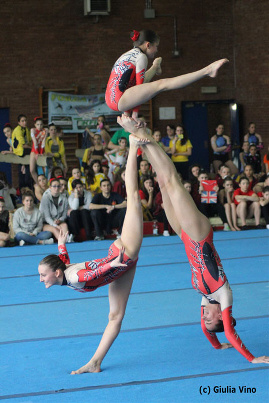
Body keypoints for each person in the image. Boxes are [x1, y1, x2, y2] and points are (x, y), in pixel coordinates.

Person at [117, 115, 269, 364]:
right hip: (199, 234)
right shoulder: (223, 296)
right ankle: (145, 136)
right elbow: (230, 331)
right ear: (222, 315)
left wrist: (216, 344)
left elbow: (207, 330)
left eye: (205, 320)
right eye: (211, 320)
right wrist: (252, 358)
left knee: (163, 188)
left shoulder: (205, 297)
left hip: (184, 236)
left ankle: (143, 141)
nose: (204, 318)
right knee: (173, 182)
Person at [38, 134, 143, 374]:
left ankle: (134, 144)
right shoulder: (63, 271)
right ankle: (95, 362)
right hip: (120, 265)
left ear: (55, 273)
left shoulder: (74, 277)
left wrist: (114, 264)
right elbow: (64, 262)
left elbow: (91, 273)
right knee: (115, 316)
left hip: (123, 255)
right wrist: (61, 245)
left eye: (43, 275)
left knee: (133, 197)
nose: (42, 279)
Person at [105, 29, 228, 126]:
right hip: (120, 100)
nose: (157, 50)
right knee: (162, 84)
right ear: (148, 45)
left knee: (146, 84)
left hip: (111, 97)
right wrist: (135, 115)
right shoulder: (141, 57)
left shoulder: (126, 54)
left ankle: (154, 68)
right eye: (156, 46)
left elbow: (127, 84)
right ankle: (207, 70)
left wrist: (126, 112)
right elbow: (139, 87)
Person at [11, 114, 32, 189]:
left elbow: (29, 141)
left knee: (27, 171)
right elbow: (23, 145)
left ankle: (29, 188)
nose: (24, 122)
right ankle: (23, 189)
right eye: (22, 121)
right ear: (19, 122)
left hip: (26, 150)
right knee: (24, 173)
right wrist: (33, 148)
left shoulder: (27, 129)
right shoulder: (18, 130)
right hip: (20, 151)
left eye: (25, 120)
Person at [29, 117, 48, 184]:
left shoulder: (45, 130)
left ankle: (46, 183)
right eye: (38, 124)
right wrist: (37, 153)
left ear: (43, 125)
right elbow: (35, 142)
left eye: (41, 124)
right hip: (34, 151)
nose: (39, 126)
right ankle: (38, 183)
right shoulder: (33, 130)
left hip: (42, 151)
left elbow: (43, 142)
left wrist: (41, 152)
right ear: (35, 124)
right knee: (31, 170)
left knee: (45, 170)